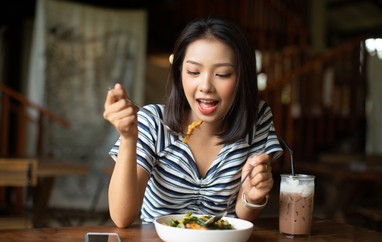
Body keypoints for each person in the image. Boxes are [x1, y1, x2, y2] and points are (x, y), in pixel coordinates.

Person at [103, 16, 283, 228]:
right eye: (194, 72)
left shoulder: (257, 120)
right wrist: (128, 137)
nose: (205, 86)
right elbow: (122, 218)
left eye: (222, 74)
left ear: (242, 76)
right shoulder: (153, 122)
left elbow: (243, 217)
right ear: (180, 72)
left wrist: (252, 198)